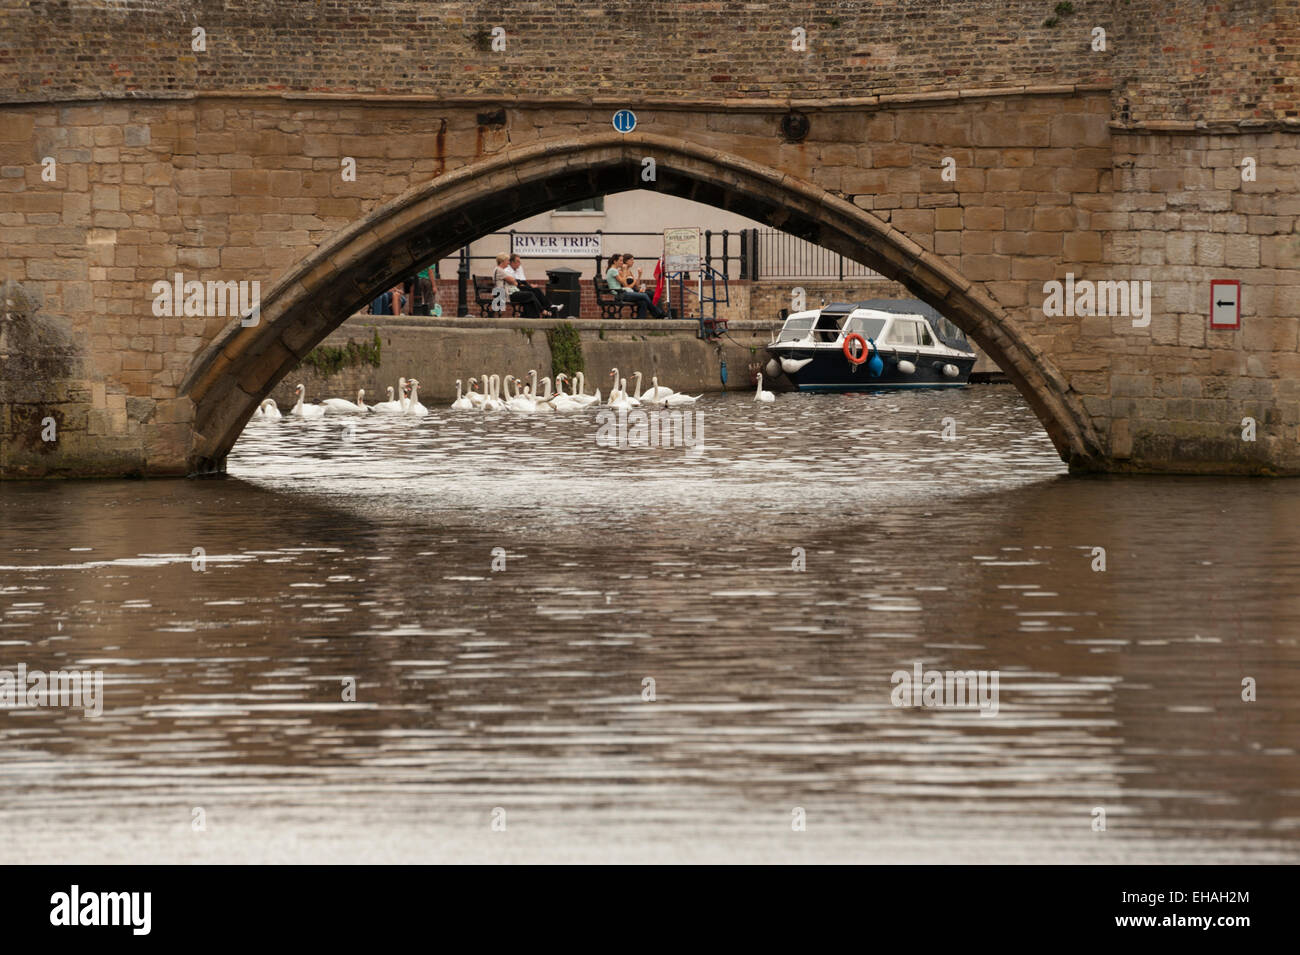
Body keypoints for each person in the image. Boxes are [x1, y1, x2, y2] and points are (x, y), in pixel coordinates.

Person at [606, 253, 664, 319]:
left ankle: (641, 319)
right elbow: (623, 282)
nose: (622, 263)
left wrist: (639, 275)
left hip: (622, 292)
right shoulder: (613, 271)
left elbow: (630, 283)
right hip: (620, 294)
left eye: (622, 261)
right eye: (620, 261)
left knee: (643, 301)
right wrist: (625, 271)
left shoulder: (614, 270)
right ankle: (658, 313)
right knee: (645, 295)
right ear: (615, 261)